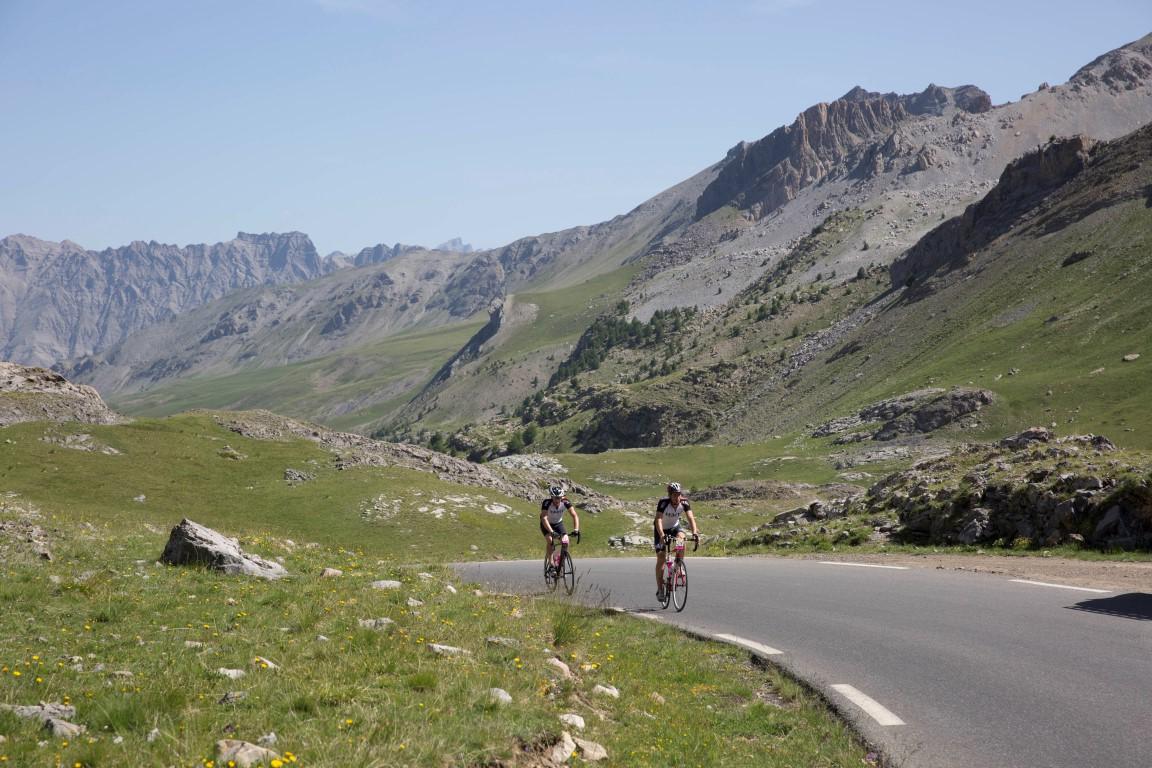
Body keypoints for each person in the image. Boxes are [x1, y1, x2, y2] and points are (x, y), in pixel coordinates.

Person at [654, 481, 698, 601]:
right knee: (661, 557)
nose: (677, 497)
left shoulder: (684, 502)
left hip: (674, 527)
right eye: (674, 494)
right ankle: (660, 589)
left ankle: (678, 565)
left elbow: (690, 518)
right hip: (661, 529)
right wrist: (662, 535)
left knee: (681, 539)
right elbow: (658, 519)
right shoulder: (663, 503)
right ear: (670, 495)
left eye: (679, 494)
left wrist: (694, 531)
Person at [540, 485, 580, 573]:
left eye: (559, 498)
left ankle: (559, 561)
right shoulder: (547, 503)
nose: (557, 500)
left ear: (562, 497)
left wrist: (576, 529)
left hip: (558, 523)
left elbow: (574, 515)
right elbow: (544, 518)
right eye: (555, 498)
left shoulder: (565, 502)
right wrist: (551, 531)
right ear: (552, 497)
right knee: (550, 540)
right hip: (546, 524)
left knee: (566, 541)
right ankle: (550, 563)